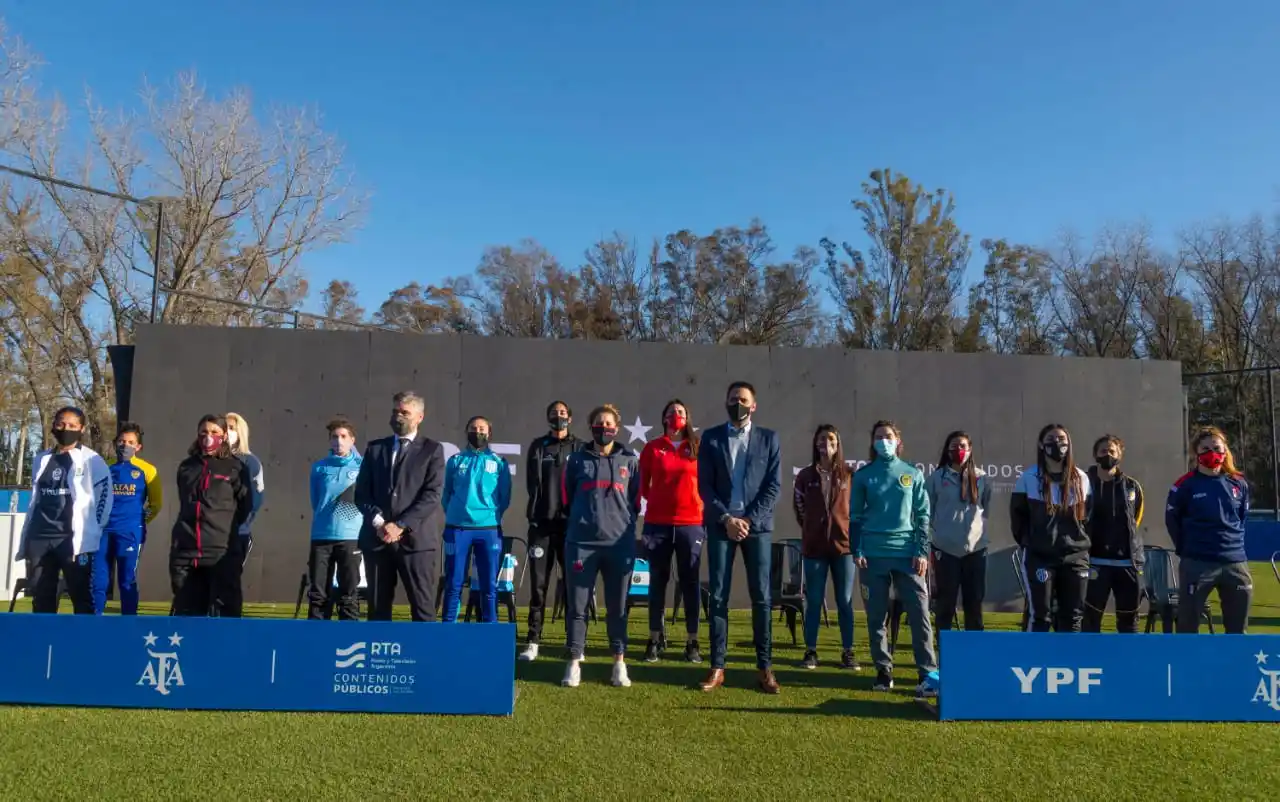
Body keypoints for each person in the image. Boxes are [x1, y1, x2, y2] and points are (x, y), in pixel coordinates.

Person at [696, 381, 782, 695]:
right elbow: (705, 485)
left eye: (743, 399)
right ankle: (718, 666)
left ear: (754, 405)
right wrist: (727, 518)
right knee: (718, 596)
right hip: (721, 526)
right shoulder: (711, 438)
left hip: (756, 528)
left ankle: (765, 668)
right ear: (726, 402)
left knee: (761, 597)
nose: (738, 403)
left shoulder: (769, 438)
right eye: (733, 399)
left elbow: (773, 487)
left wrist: (746, 520)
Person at [851, 420, 937, 697]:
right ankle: (883, 670)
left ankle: (927, 674)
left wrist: (922, 550)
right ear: (872, 441)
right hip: (873, 555)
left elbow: (923, 515)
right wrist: (857, 549)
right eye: (878, 436)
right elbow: (855, 517)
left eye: (888, 436)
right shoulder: (864, 476)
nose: (883, 441)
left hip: (908, 555)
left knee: (920, 615)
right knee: (877, 617)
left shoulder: (912, 473)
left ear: (898, 440)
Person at [560, 404, 641, 688]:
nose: (603, 428)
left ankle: (618, 662)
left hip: (619, 544)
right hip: (581, 543)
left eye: (608, 424)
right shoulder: (576, 460)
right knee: (578, 607)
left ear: (616, 428)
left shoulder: (630, 460)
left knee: (618, 607)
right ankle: (574, 660)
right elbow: (567, 497)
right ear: (591, 427)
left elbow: (635, 500)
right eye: (598, 423)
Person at [354, 391, 446, 622]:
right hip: (378, 540)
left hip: (417, 543)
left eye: (405, 412)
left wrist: (401, 525)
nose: (398, 417)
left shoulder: (432, 450)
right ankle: (378, 658)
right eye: (395, 411)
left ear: (419, 417)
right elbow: (362, 493)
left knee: (423, 608)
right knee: (377, 609)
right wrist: (380, 523)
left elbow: (431, 495)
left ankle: (425, 656)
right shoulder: (375, 449)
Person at [16, 407, 113, 615]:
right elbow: (36, 498)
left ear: (81, 428)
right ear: (53, 426)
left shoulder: (92, 461)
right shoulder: (41, 459)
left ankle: (82, 644)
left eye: (72, 425)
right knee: (41, 597)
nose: (65, 428)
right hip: (40, 537)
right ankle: (45, 644)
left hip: (72, 541)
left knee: (80, 596)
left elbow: (104, 500)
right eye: (61, 423)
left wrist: (92, 530)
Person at [1166, 426, 1252, 634]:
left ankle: (1234, 665)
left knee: (1238, 628)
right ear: (1196, 453)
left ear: (1225, 451)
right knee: (1188, 625)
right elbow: (1172, 521)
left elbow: (1241, 518)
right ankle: (1188, 665)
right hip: (1197, 563)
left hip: (1235, 562)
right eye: (1205, 448)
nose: (1211, 452)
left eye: (1216, 447)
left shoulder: (1238, 483)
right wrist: (1188, 550)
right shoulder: (1184, 485)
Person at [638, 399, 705, 664]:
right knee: (657, 582)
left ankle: (692, 641)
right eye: (671, 412)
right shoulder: (653, 448)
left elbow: (708, 484)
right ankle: (655, 639)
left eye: (680, 412)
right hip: (658, 524)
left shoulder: (698, 447)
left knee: (690, 583)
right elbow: (643, 486)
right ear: (664, 418)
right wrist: (660, 503)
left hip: (691, 524)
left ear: (687, 417)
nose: (675, 415)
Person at [1011, 423, 1093, 633]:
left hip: (1075, 557)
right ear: (1041, 445)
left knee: (1073, 616)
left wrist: (1079, 544)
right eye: (1052, 440)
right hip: (1040, 557)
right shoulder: (1028, 478)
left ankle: (1068, 662)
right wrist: (1030, 543)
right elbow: (1018, 517)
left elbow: (1088, 518)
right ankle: (1034, 663)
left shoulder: (1081, 479)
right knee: (1040, 616)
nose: (1057, 444)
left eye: (1062, 440)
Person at [519, 401, 582, 661]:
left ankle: (573, 641)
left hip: (570, 527)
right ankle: (533, 640)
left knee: (570, 585)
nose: (559, 416)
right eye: (554, 413)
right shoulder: (538, 446)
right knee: (539, 586)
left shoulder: (580, 448)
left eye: (563, 413)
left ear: (570, 417)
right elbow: (531, 483)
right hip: (542, 526)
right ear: (548, 417)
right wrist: (535, 513)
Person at [171, 414, 251, 616]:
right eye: (204, 432)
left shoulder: (236, 467)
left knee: (225, 613)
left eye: (215, 432)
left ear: (224, 435)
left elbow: (245, 507)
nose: (209, 437)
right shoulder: (187, 467)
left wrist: (221, 528)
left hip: (221, 552)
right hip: (186, 552)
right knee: (187, 613)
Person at [792, 424, 858, 671]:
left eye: (830, 439)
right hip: (814, 548)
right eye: (821, 439)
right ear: (815, 444)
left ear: (837, 443)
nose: (825, 443)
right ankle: (811, 651)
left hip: (844, 548)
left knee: (845, 601)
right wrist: (811, 529)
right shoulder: (805, 476)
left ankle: (848, 651)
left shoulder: (850, 474)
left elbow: (857, 509)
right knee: (815, 600)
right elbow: (799, 507)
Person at [441, 416, 512, 624]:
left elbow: (504, 496)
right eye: (473, 428)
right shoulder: (456, 460)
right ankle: (448, 629)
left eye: (482, 428)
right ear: (467, 431)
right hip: (457, 528)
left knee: (489, 583)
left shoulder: (499, 462)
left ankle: (490, 628)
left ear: (489, 433)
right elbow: (447, 493)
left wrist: (491, 514)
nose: (478, 432)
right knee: (454, 582)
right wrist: (456, 513)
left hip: (488, 528)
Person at [92, 422, 162, 615]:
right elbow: (96, 501)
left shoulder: (147, 470)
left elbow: (156, 504)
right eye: (122, 441)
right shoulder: (106, 469)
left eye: (131, 442)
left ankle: (129, 624)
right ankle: (93, 622)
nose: (126, 445)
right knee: (98, 580)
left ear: (138, 447)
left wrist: (138, 522)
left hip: (130, 533)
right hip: (104, 533)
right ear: (115, 443)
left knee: (126, 580)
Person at [926, 430, 991, 634]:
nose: (959, 450)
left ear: (970, 450)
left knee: (974, 603)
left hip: (975, 551)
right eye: (954, 446)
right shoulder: (937, 478)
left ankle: (974, 650)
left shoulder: (982, 479)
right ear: (947, 450)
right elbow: (927, 510)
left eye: (963, 446)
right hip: (946, 551)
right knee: (945, 604)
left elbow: (986, 510)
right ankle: (944, 648)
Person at [1083, 434, 1146, 634]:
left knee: (1129, 623)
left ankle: (1130, 662)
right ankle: (1091, 663)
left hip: (1127, 564)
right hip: (1094, 562)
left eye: (1112, 451)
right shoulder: (1083, 483)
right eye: (1103, 451)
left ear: (1119, 455)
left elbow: (1136, 519)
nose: (1108, 455)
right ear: (1095, 455)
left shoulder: (1131, 486)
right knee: (1090, 622)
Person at [307, 417, 364, 621]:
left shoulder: (362, 466)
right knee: (318, 593)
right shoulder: (319, 467)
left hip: (350, 537)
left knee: (348, 593)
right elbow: (316, 500)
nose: (338, 441)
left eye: (343, 436)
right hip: (321, 536)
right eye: (334, 437)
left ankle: (348, 639)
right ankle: (315, 639)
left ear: (352, 440)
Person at [225, 412, 264, 616]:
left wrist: (239, 523)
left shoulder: (250, 462)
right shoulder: (213, 460)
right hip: (211, 534)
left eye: (232, 428)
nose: (227, 432)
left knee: (229, 584)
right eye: (224, 428)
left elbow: (256, 500)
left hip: (238, 533)